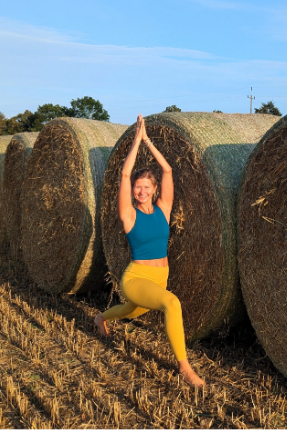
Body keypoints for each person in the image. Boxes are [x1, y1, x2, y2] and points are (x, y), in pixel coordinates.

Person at [94, 114, 205, 388]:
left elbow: (167, 171)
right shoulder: (128, 215)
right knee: (172, 303)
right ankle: (185, 369)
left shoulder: (163, 210)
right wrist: (135, 142)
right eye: (137, 187)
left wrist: (148, 140)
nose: (141, 190)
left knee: (131, 312)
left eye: (146, 187)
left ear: (154, 190)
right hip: (136, 277)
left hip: (161, 276)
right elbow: (124, 173)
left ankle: (100, 317)